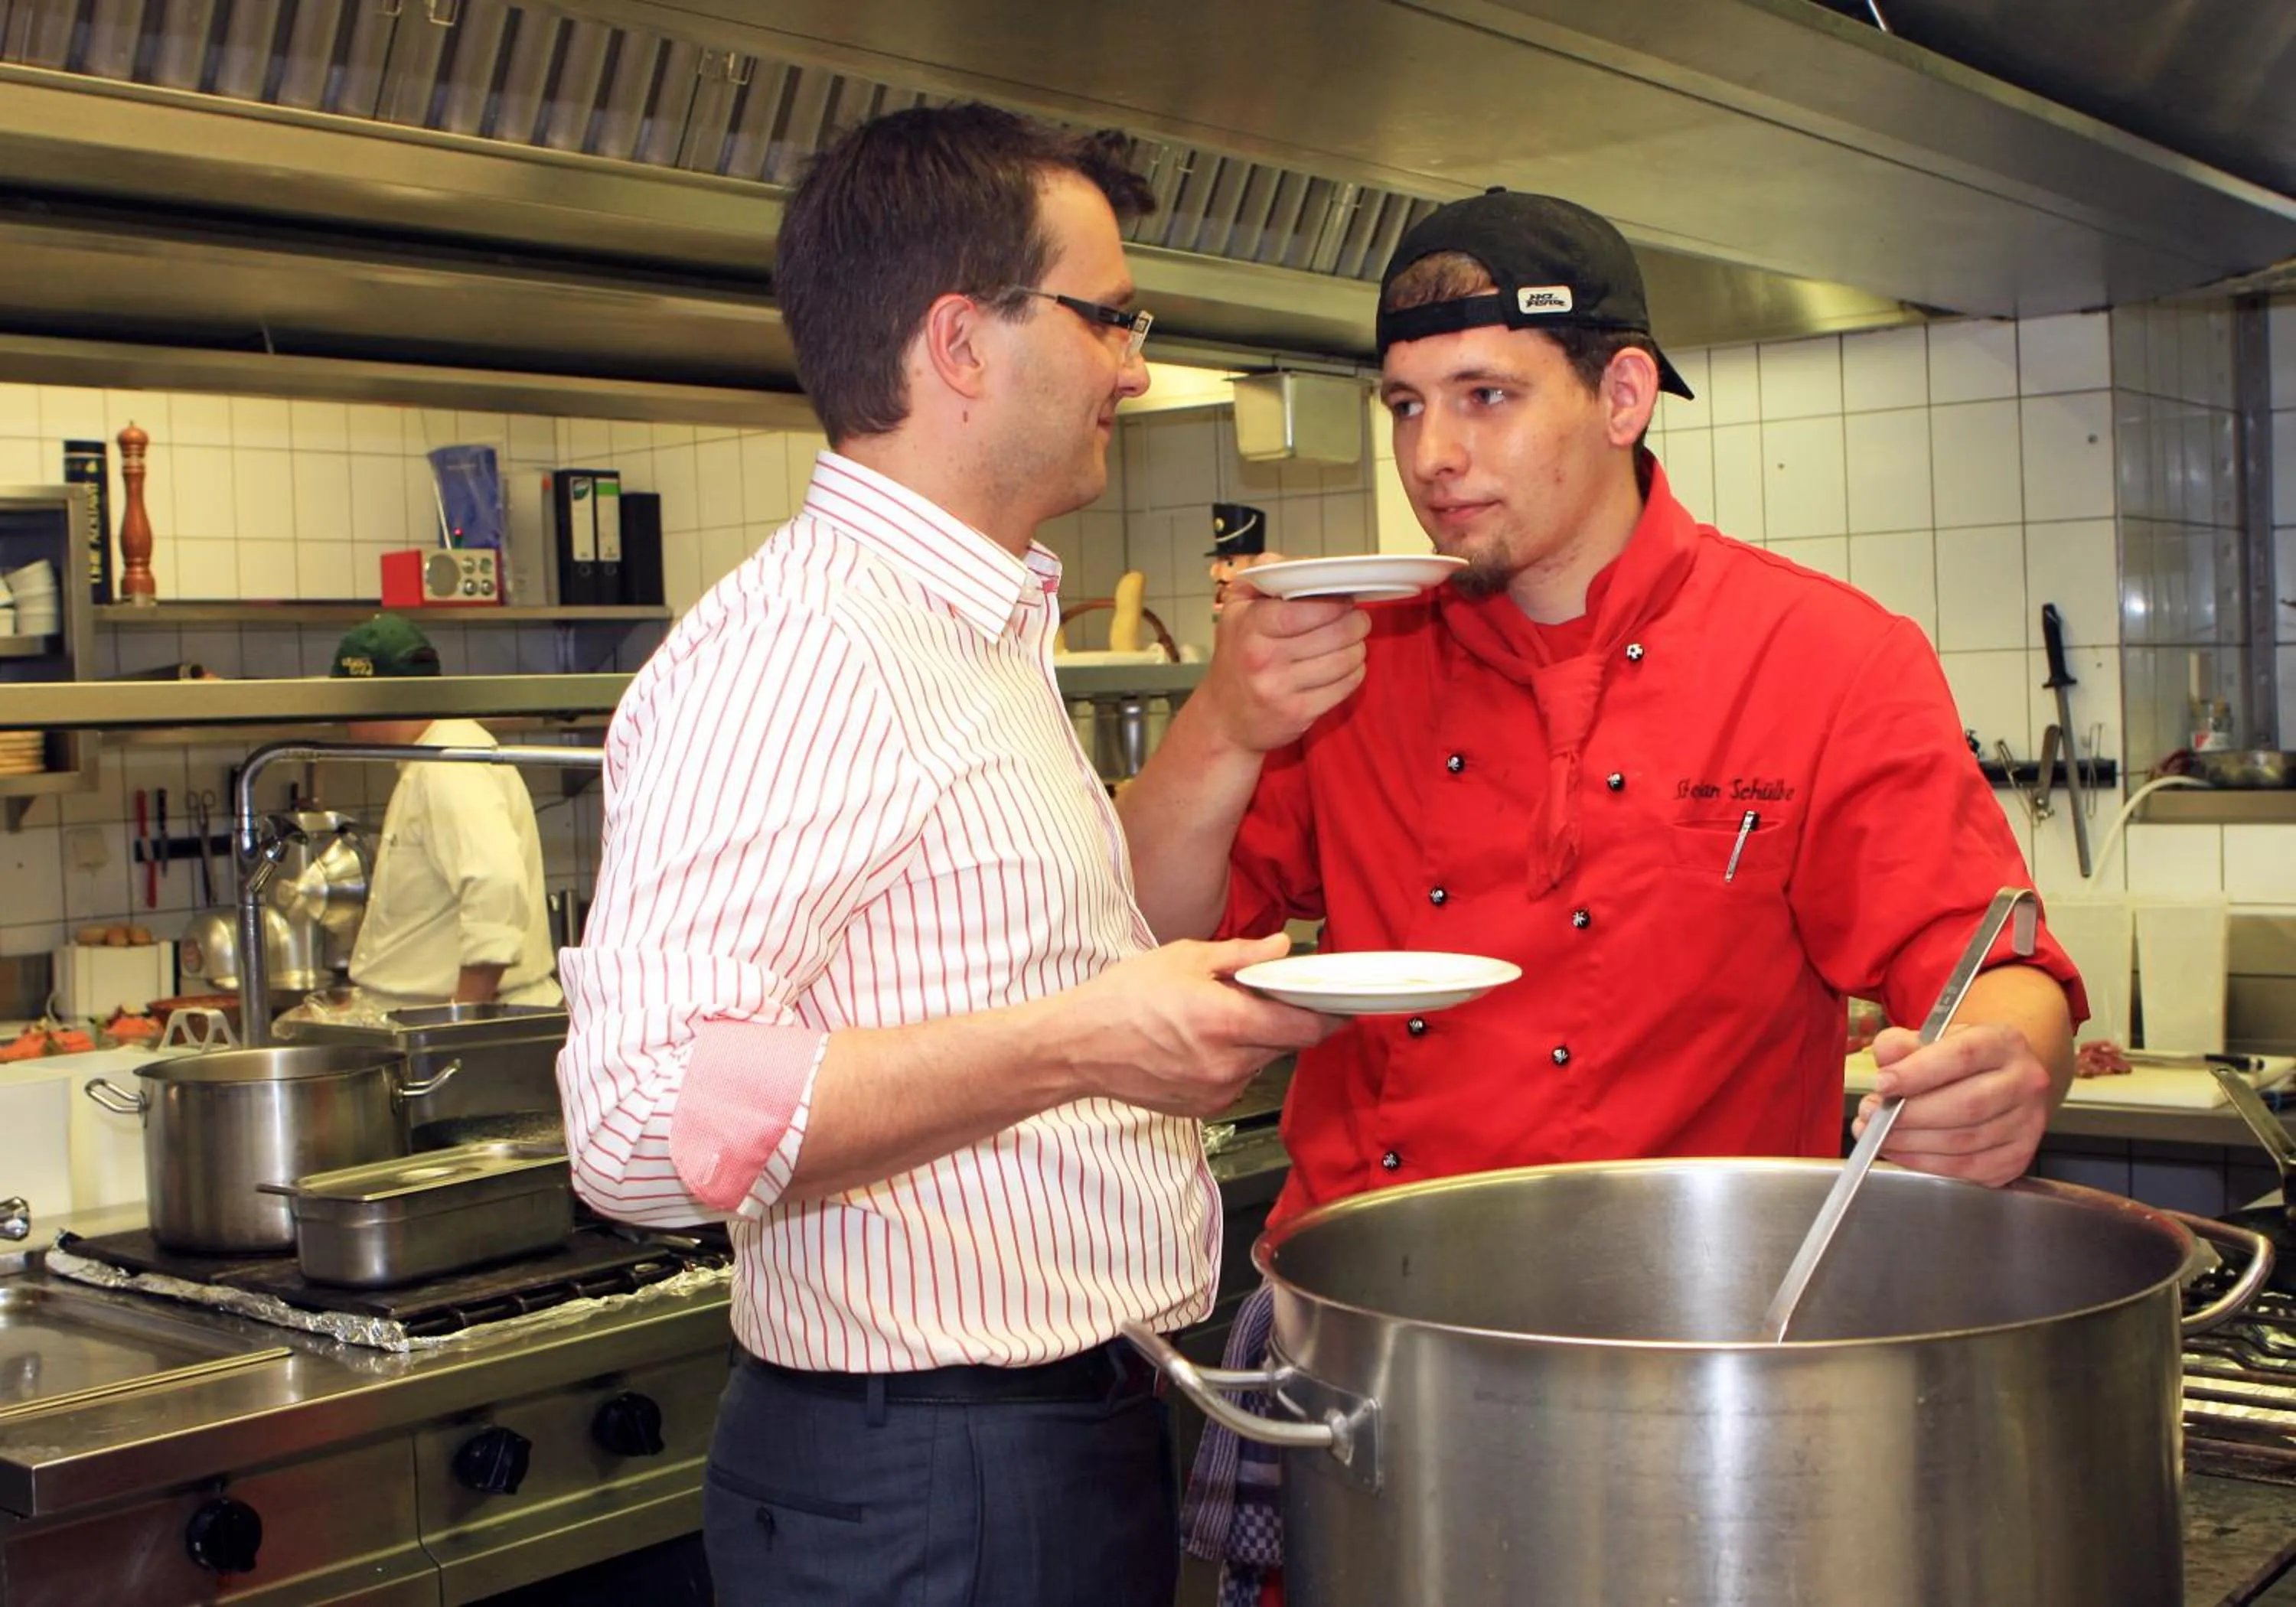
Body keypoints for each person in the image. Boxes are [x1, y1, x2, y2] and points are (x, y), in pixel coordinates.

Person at [1115, 192, 2087, 1597]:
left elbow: (1988, 959)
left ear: (1623, 393)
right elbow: (1145, 937)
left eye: (1486, 397)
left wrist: (2011, 1060)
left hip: (1697, 1366)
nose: (1433, 459)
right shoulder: (1352, 657)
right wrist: (1219, 719)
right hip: (1369, 1362)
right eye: (1404, 406)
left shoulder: (1822, 660)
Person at [553, 104, 1337, 1607]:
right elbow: (641, 1122)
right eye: (1110, 319)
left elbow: (1039, 947)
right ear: (962, 344)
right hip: (934, 1474)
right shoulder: (802, 649)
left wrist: (1228, 733)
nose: (1137, 364)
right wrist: (1078, 1047)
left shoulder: (967, 630)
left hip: (1036, 1436)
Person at [329, 612, 559, 1009]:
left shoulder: (446, 763)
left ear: (373, 696)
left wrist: (465, 1015)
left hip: (456, 1021)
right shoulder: (434, 755)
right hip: (438, 1016)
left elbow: (495, 884)